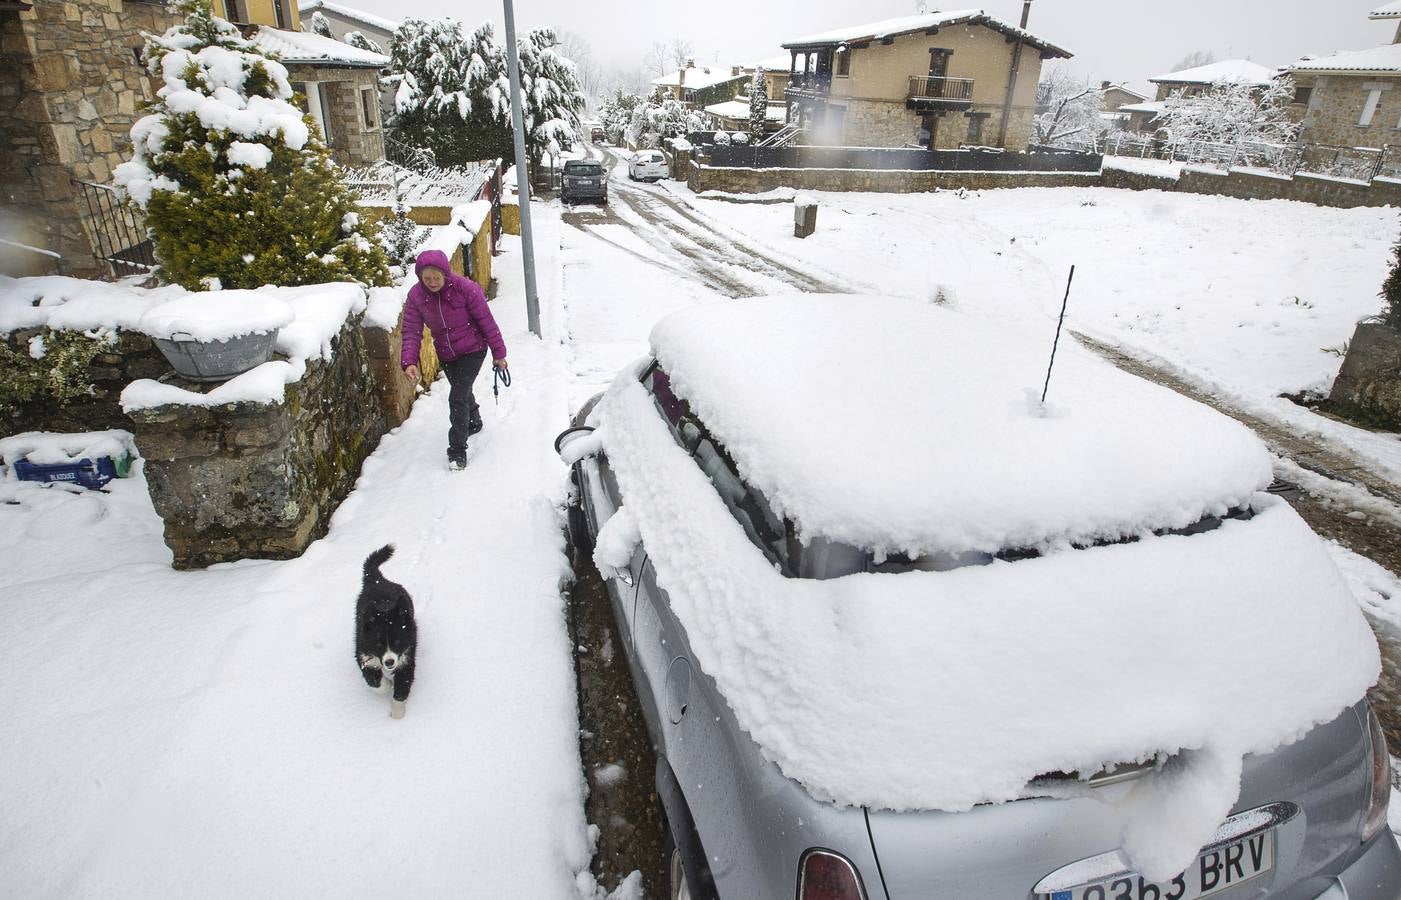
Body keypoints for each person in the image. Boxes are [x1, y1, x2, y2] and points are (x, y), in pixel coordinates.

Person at [400, 249, 508, 469]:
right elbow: (411, 330)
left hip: (473, 349)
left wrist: (499, 353)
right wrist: (409, 361)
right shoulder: (416, 296)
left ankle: (457, 450)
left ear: (446, 273)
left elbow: (487, 321)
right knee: (462, 390)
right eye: (426, 278)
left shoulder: (465, 289)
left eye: (436, 277)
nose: (431, 282)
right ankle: (474, 420)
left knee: (457, 396)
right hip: (447, 353)